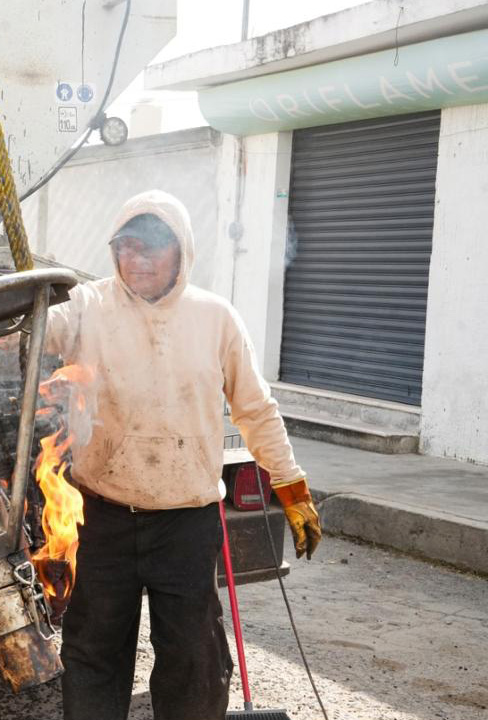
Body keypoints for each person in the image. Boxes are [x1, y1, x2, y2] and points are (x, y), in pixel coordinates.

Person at [44, 190, 323, 720]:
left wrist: (291, 485)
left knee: (193, 663)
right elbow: (28, 331)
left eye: (152, 246)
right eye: (127, 246)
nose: (138, 259)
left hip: (186, 524)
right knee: (93, 654)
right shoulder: (85, 306)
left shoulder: (215, 318)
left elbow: (255, 410)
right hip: (101, 518)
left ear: (182, 250)